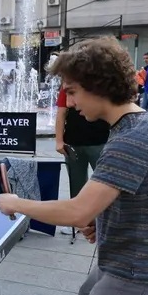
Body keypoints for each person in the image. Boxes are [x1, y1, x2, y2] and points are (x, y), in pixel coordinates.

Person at [0, 37, 148, 295]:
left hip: (139, 266)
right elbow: (140, 195)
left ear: (98, 85)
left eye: (73, 92)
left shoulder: (132, 138)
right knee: (88, 294)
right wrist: (100, 220)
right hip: (127, 253)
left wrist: (16, 203)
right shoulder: (138, 125)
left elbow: (76, 210)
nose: (70, 103)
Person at [54, 83, 110, 235]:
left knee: (106, 184)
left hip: (100, 141)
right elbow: (61, 112)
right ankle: (79, 222)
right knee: (76, 183)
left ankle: (106, 221)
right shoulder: (68, 84)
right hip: (73, 142)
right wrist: (59, 140)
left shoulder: (100, 82)